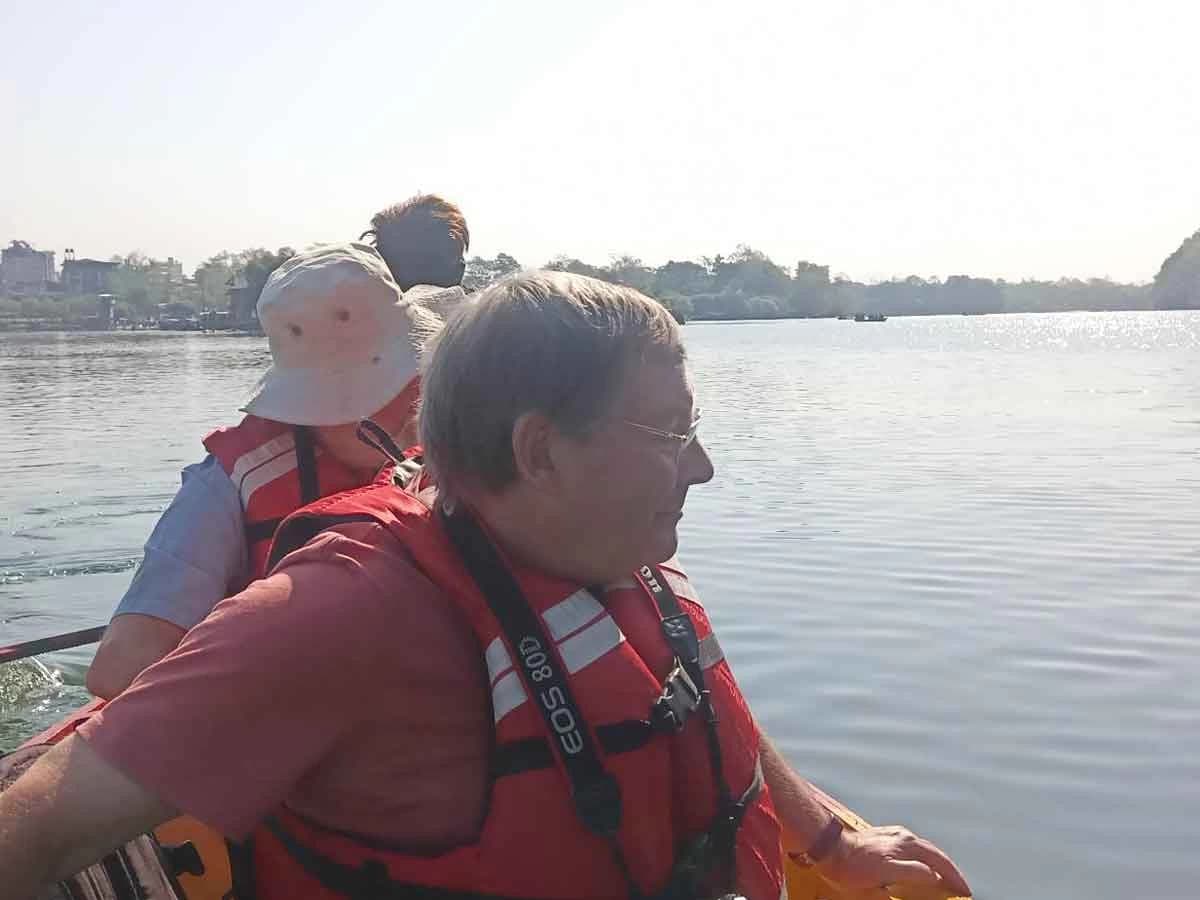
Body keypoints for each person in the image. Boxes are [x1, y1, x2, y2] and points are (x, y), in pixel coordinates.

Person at [0, 272, 971, 900]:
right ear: (539, 452)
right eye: (673, 434)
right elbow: (35, 818)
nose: (705, 467)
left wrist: (832, 842)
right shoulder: (335, 616)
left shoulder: (612, 555)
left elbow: (704, 714)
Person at [86, 240, 446, 699]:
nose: (418, 393)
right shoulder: (227, 485)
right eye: (406, 378)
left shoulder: (456, 455)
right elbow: (122, 668)